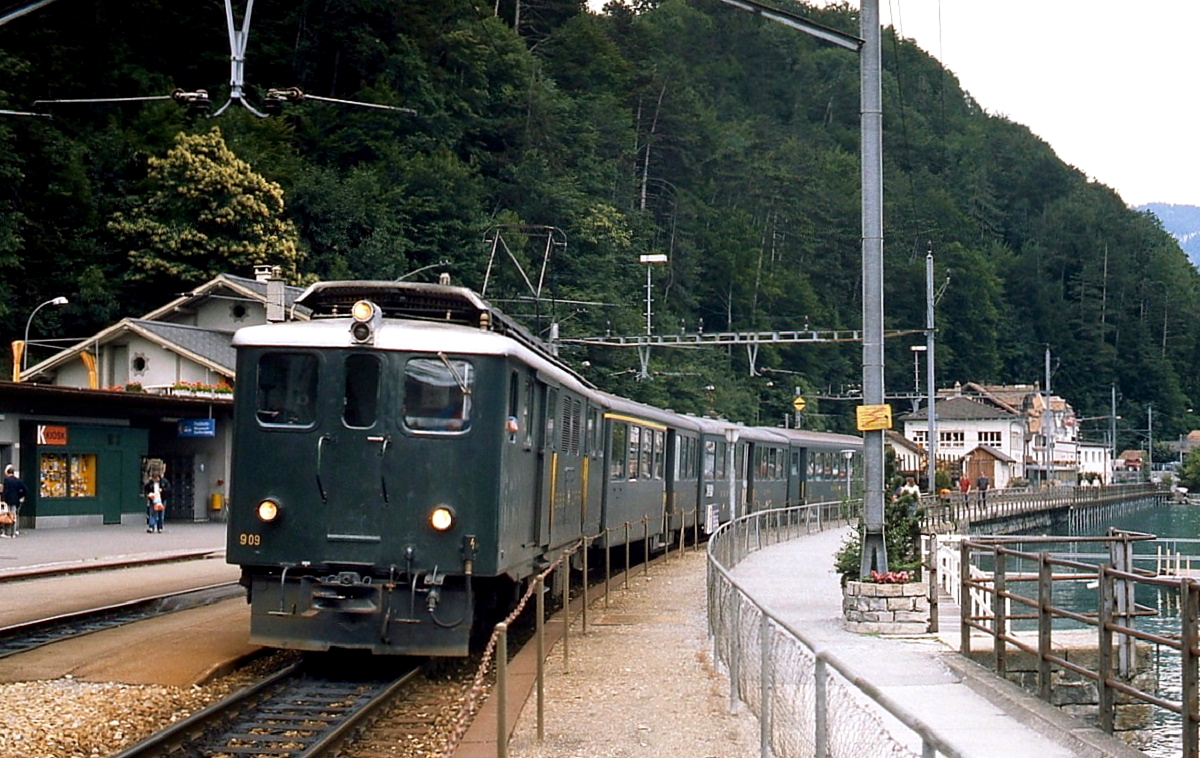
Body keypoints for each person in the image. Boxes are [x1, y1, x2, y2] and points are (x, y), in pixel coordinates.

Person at [3, 465, 27, 538]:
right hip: (16, 500)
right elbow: (25, 489)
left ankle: (8, 532)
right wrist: (20, 495)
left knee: (8, 516)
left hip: (8, 500)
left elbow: (6, 491)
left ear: (7, 472)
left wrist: (4, 498)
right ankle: (14, 532)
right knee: (14, 516)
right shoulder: (18, 480)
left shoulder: (6, 480)